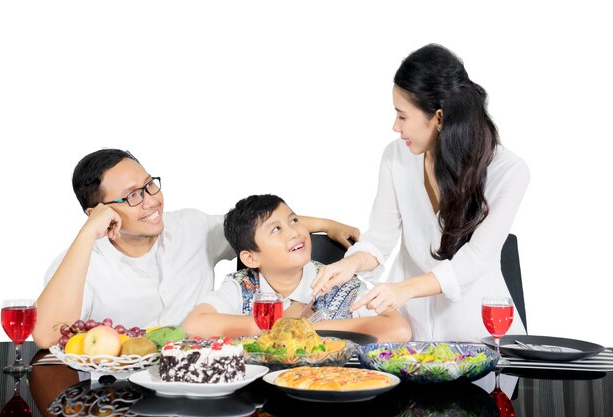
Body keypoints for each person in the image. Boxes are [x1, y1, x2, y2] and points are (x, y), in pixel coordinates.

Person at [33, 149, 360, 348]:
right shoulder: (77, 263)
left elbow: (260, 225)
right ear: (97, 212)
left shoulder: (191, 227)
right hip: (118, 392)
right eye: (133, 195)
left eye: (150, 185)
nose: (151, 201)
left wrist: (327, 224)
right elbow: (46, 337)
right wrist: (88, 234)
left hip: (203, 379)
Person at [311, 44, 529, 342]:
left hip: (477, 327)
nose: (395, 126)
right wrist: (350, 264)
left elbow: (476, 259)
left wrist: (405, 289)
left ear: (439, 118)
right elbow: (381, 238)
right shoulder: (396, 157)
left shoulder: (508, 171)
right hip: (407, 325)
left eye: (402, 116)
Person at [182, 194, 411, 342]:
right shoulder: (242, 285)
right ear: (251, 258)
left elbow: (398, 328)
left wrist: (307, 329)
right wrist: (276, 324)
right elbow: (194, 324)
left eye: (294, 221)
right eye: (275, 229)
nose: (294, 232)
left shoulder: (336, 282)